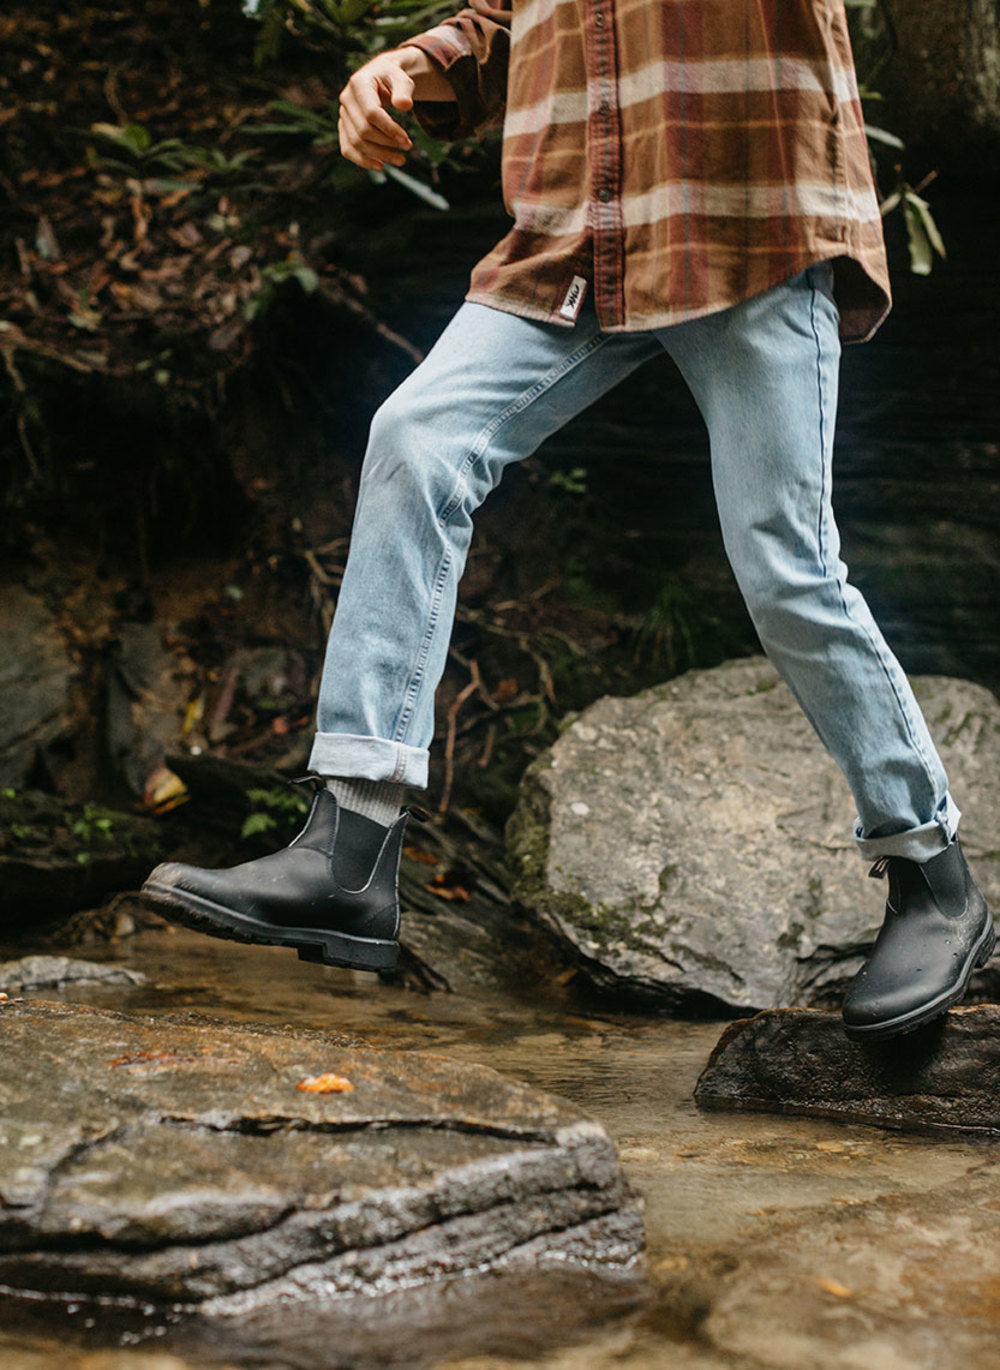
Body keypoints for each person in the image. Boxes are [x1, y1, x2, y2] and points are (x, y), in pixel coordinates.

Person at [142, 0, 993, 1040]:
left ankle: (931, 873)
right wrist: (411, 65)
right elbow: (508, 18)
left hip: (746, 215)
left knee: (785, 562)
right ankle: (349, 847)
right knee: (417, 438)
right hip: (573, 242)